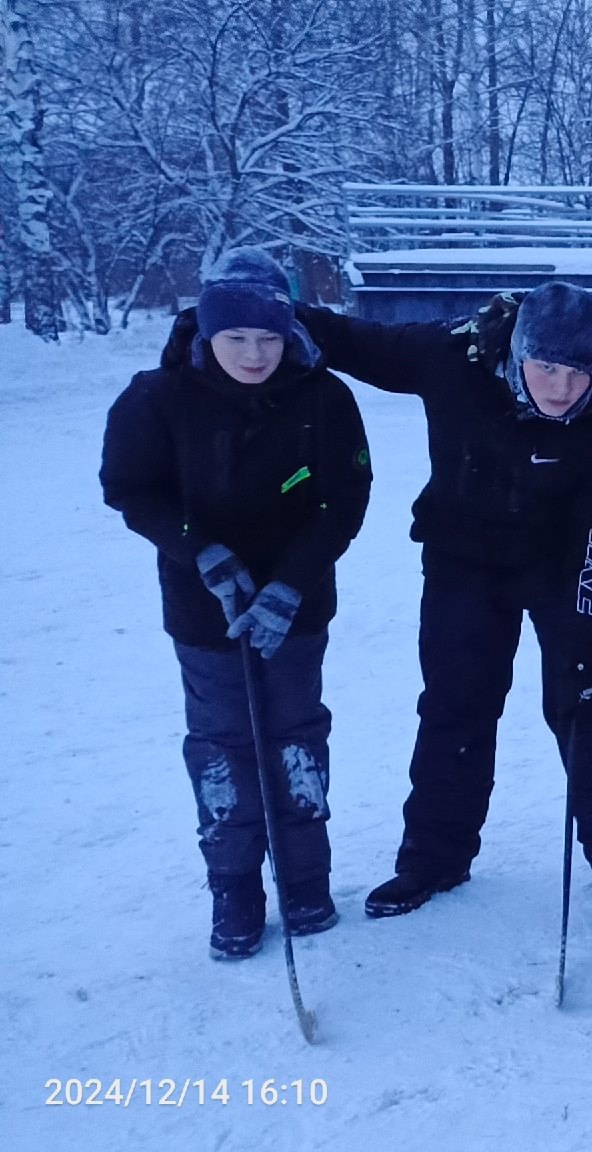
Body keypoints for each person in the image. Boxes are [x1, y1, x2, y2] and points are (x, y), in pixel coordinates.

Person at [296, 282, 592, 916]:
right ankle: (433, 857)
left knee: (590, 696)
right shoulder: (453, 355)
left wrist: (589, 611)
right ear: (520, 351)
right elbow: (357, 341)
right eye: (546, 368)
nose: (560, 388)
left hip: (563, 563)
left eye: (575, 372)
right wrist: (263, 312)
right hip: (463, 559)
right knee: (455, 702)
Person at [102, 249, 373, 959]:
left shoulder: (324, 398)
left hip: (297, 605)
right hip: (203, 609)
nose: (254, 353)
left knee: (295, 739)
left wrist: (289, 586)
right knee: (223, 745)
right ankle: (235, 887)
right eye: (236, 338)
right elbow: (131, 488)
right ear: (207, 333)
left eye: (269, 338)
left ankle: (306, 881)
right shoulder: (153, 399)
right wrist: (204, 555)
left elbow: (342, 502)